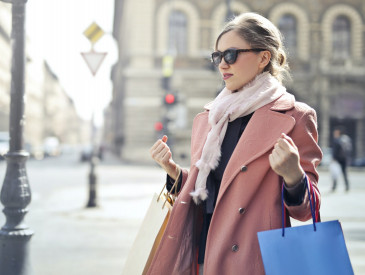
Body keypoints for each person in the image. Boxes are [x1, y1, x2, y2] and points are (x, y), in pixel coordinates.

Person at [149, 12, 322, 275]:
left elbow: (307, 211)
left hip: (251, 261)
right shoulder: (210, 118)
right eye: (217, 57)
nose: (222, 64)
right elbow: (212, 193)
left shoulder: (294, 117)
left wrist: (293, 175)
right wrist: (174, 172)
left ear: (263, 57)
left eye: (230, 55)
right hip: (202, 254)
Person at [331, 126, 351, 191]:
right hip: (345, 159)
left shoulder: (337, 140)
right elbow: (349, 149)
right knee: (344, 173)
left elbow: (335, 151)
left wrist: (333, 158)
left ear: (338, 133)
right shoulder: (346, 139)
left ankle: (334, 187)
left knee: (335, 173)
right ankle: (347, 186)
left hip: (337, 159)